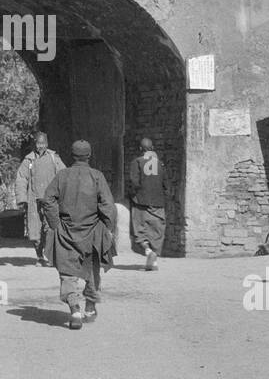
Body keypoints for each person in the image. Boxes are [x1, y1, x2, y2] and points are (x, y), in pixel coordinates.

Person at [40, 140, 116, 330]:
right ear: (89, 156)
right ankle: (90, 308)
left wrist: (55, 223)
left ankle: (74, 310)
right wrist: (108, 228)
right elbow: (107, 205)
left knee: (67, 272)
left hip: (67, 232)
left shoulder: (62, 176)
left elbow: (47, 199)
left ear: (72, 156)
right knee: (92, 271)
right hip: (92, 233)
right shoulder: (97, 176)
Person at [15, 132, 65, 267]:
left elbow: (64, 175)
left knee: (50, 228)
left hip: (51, 200)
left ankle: (49, 256)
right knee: (34, 230)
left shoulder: (54, 158)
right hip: (34, 200)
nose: (40, 146)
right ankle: (39, 256)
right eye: (38, 143)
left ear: (47, 144)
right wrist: (21, 198)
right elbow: (21, 179)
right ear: (34, 144)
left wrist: (63, 195)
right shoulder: (28, 160)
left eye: (43, 143)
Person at [127, 137, 167, 271]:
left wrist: (132, 195)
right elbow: (166, 184)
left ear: (140, 149)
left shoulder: (137, 162)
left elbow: (134, 182)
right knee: (157, 231)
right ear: (153, 148)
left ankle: (148, 251)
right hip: (158, 202)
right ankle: (153, 260)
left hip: (141, 202)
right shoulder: (160, 164)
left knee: (139, 230)